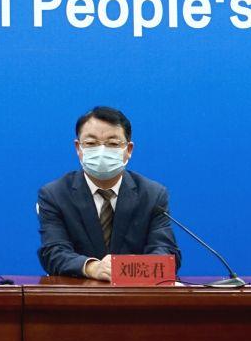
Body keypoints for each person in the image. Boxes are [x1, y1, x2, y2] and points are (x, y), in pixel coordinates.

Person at [37, 105, 180, 280]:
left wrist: (128, 268)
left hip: (135, 293)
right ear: (78, 148)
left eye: (112, 144)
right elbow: (53, 252)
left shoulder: (153, 195)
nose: (101, 151)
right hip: (79, 292)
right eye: (91, 143)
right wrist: (93, 268)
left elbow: (166, 252)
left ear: (128, 150)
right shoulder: (55, 195)